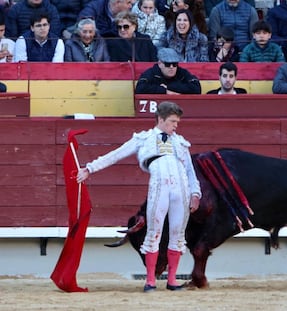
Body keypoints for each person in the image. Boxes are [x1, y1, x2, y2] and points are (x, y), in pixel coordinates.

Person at [76, 101, 201, 292]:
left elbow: (190, 172)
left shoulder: (181, 143)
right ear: (161, 119)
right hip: (159, 185)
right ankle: (150, 280)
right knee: (154, 232)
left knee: (178, 233)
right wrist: (90, 168)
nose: (176, 125)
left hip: (181, 188)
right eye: (173, 121)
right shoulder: (143, 139)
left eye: (177, 121)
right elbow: (116, 155)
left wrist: (195, 193)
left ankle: (172, 280)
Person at [135, 47, 201, 94]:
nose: (171, 67)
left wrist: (169, 87)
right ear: (160, 64)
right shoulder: (151, 73)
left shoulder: (182, 73)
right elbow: (140, 89)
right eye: (167, 64)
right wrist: (165, 91)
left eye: (175, 64)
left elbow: (196, 89)